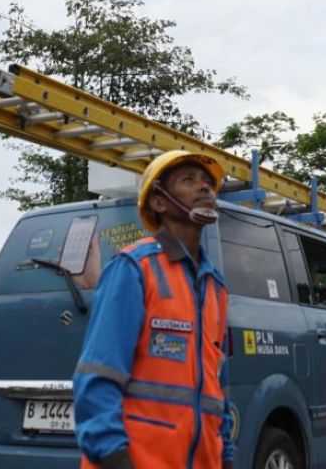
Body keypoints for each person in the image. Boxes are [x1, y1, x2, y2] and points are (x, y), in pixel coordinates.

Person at [73, 151, 235, 469]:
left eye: (207, 183)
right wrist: (112, 455)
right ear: (159, 202)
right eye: (188, 180)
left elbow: (218, 384)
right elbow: (98, 375)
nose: (204, 188)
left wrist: (225, 454)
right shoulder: (134, 268)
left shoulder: (216, 286)